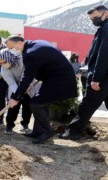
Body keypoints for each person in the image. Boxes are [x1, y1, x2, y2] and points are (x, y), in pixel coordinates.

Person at [6, 35, 77, 144]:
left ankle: (47, 131)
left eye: (13, 48)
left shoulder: (31, 53)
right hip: (56, 77)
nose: (13, 51)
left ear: (20, 43)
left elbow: (26, 77)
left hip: (59, 79)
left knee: (36, 103)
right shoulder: (38, 43)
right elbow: (53, 54)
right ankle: (38, 131)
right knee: (39, 101)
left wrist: (15, 98)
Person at [59, 5, 108, 140]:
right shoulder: (103, 28)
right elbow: (95, 52)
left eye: (96, 18)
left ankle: (74, 132)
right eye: (92, 19)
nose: (94, 21)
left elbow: (104, 55)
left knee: (87, 105)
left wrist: (96, 78)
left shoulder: (107, 28)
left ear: (106, 14)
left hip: (102, 77)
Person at [0, 48, 38, 135]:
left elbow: (26, 77)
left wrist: (25, 87)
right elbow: (11, 83)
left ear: (10, 58)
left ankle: (25, 124)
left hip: (29, 86)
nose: (3, 65)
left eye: (4, 62)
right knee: (13, 106)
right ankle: (9, 126)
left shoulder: (23, 61)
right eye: (0, 63)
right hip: (15, 88)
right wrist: (17, 96)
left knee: (27, 106)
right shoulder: (3, 70)